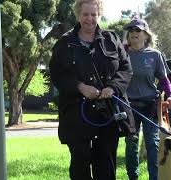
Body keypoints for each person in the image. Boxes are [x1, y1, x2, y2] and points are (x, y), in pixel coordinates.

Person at [49, 0, 135, 179]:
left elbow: (126, 69)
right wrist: (79, 87)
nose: (89, 19)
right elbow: (57, 75)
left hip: (108, 114)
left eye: (93, 14)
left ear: (99, 15)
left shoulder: (112, 39)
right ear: (78, 15)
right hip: (76, 114)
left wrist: (113, 87)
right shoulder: (64, 43)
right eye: (85, 14)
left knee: (106, 164)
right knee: (80, 162)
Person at [123, 18, 171, 180]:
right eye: (131, 30)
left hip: (150, 105)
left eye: (137, 30)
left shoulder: (154, 55)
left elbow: (164, 79)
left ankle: (154, 177)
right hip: (128, 105)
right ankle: (133, 177)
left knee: (152, 144)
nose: (133, 33)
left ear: (146, 35)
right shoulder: (122, 53)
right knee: (131, 143)